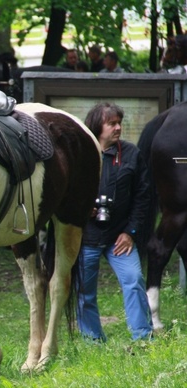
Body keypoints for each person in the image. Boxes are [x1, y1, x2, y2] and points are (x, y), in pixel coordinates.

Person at [77, 102, 153, 342]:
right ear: (97, 125)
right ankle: (92, 340)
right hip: (86, 237)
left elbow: (143, 196)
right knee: (84, 292)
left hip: (119, 236)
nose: (118, 127)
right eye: (112, 123)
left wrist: (130, 232)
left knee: (134, 280)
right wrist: (81, 209)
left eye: (119, 122)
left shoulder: (131, 153)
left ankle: (142, 338)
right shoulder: (80, 153)